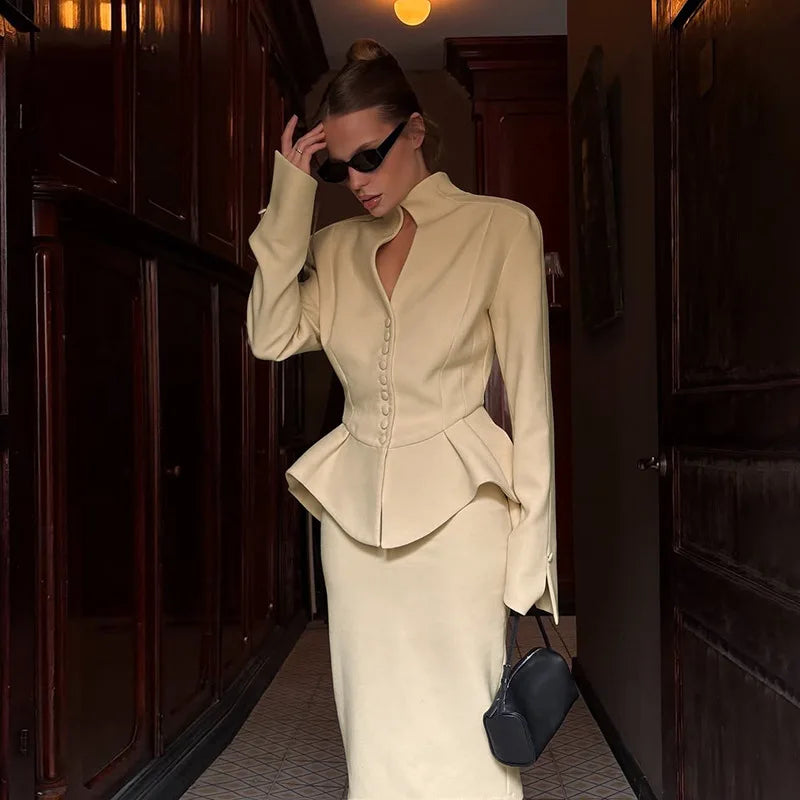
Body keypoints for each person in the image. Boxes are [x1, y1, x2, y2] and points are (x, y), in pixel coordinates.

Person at [246, 37, 559, 800]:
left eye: (370, 156)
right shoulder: (333, 246)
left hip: (465, 524)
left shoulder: (503, 228)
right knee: (375, 730)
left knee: (466, 737)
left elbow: (532, 399)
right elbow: (269, 334)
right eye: (338, 165)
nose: (355, 181)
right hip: (353, 528)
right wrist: (291, 196)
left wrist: (531, 566)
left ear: (415, 133)